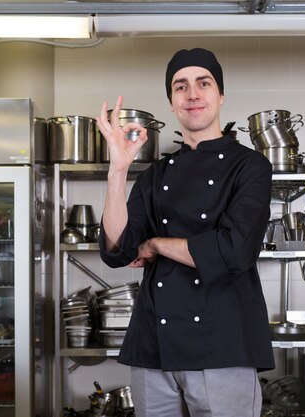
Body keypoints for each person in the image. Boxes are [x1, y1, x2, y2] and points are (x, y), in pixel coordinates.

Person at [97, 48, 275, 417]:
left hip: (224, 345)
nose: (192, 94)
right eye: (181, 86)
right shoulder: (154, 176)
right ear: (172, 102)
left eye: (203, 83)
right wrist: (118, 170)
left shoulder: (250, 167)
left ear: (220, 95)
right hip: (153, 346)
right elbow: (117, 249)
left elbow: (232, 251)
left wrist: (156, 243)